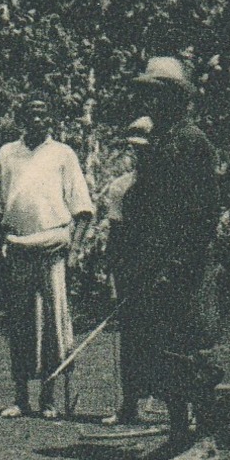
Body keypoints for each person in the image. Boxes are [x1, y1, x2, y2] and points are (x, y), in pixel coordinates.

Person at [121, 57, 225, 460]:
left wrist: (180, 263)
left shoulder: (192, 141)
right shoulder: (159, 141)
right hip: (155, 262)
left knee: (191, 355)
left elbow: (204, 213)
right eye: (147, 94)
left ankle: (207, 438)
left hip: (185, 266)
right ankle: (179, 432)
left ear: (177, 98)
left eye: (158, 94)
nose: (151, 101)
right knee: (162, 353)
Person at [0, 94, 94, 419]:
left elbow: (83, 209)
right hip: (18, 247)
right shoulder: (7, 153)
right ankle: (21, 397)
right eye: (31, 114)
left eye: (42, 114)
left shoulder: (63, 154)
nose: (37, 120)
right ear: (21, 118)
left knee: (52, 322)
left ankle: (47, 398)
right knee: (20, 322)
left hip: (53, 248)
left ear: (50, 119)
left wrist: (74, 250)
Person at [99, 116, 152, 426]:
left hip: (163, 269)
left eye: (146, 148)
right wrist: (112, 274)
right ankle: (129, 403)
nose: (141, 154)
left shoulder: (171, 183)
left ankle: (178, 409)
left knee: (168, 337)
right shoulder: (121, 187)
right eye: (136, 149)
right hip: (131, 270)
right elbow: (115, 234)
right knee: (131, 338)